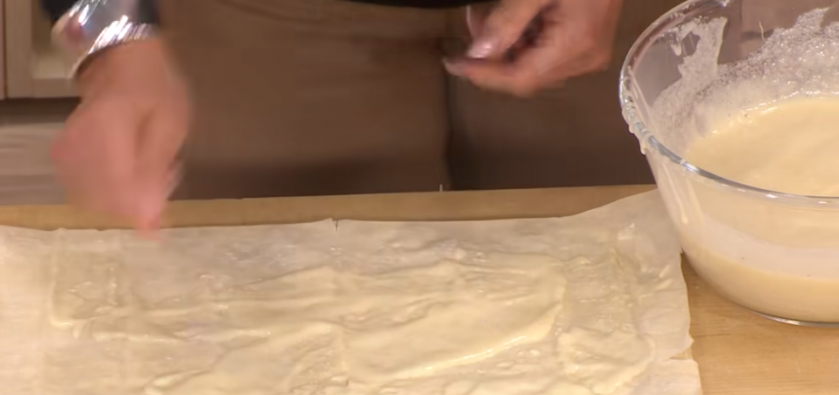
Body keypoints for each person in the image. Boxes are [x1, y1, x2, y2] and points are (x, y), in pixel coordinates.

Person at [40, 0, 635, 230]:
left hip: (590, 18)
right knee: (257, 328)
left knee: (607, 293)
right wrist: (110, 29)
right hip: (265, 19)